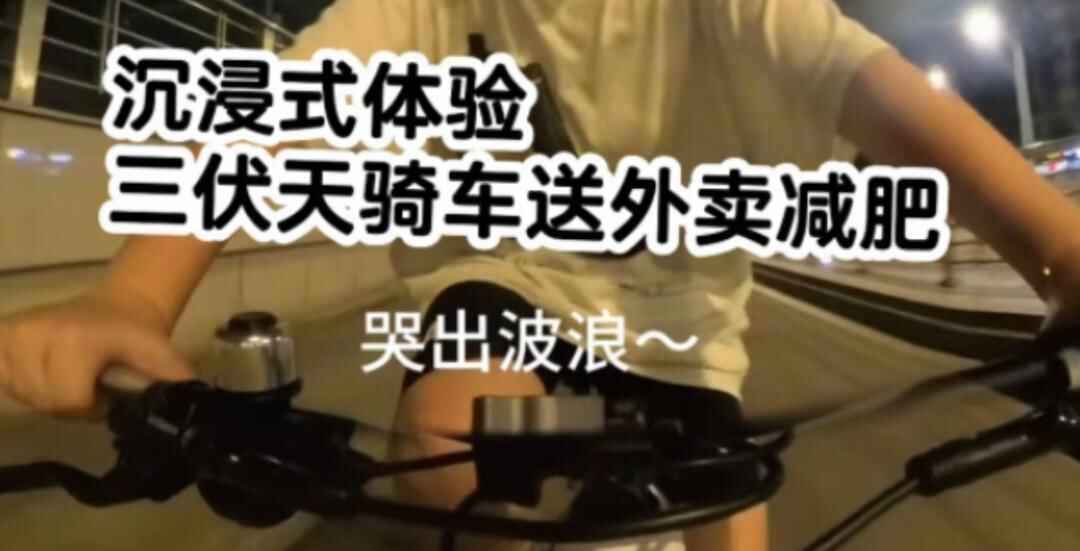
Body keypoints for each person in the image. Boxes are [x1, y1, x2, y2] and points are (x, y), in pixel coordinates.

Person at [3, 1, 1080, 550]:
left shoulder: (733, 12)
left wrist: (1062, 255)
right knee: (461, 439)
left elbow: (891, 101)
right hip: (505, 280)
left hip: (679, 333)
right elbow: (284, 105)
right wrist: (136, 297)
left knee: (733, 499)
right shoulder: (420, 6)